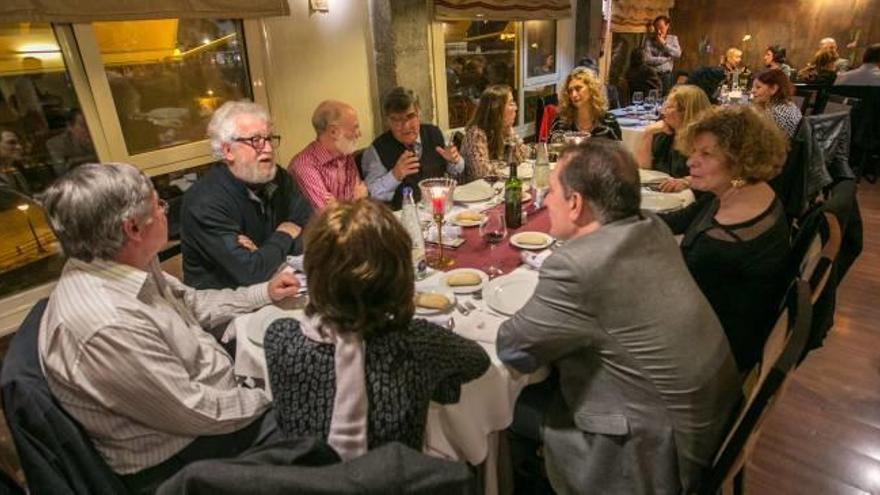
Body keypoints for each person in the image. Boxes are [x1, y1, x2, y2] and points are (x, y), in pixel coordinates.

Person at [37, 162, 302, 494]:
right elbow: (195, 410)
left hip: (209, 400)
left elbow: (190, 303)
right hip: (185, 456)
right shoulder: (107, 324)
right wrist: (273, 394)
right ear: (133, 228)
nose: (165, 210)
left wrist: (263, 292)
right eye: (159, 204)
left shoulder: (125, 262)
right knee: (317, 414)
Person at [497, 140, 740, 494]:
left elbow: (514, 349)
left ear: (576, 203)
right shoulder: (650, 225)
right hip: (711, 417)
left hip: (655, 454)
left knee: (500, 407)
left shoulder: (578, 266)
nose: (545, 202)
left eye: (550, 191)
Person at [264, 199, 490, 459]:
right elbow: (479, 361)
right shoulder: (416, 343)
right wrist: (435, 384)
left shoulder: (280, 338)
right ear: (399, 276)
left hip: (301, 484)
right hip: (396, 482)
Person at [661, 105, 791, 372]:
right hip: (710, 328)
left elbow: (677, 299)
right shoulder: (740, 192)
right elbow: (678, 221)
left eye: (706, 154)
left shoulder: (724, 240)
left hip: (709, 360)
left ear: (741, 159)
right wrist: (617, 214)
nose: (690, 162)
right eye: (694, 151)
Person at [181, 100, 312, 290]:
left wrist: (263, 253)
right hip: (227, 304)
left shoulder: (278, 177)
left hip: (277, 280)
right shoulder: (204, 202)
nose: (267, 148)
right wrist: (285, 233)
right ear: (228, 151)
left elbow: (309, 226)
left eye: (269, 139)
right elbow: (251, 272)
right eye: (255, 141)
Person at [361, 87, 463, 209]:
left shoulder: (434, 133)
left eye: (410, 116)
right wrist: (395, 175)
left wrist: (454, 161)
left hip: (439, 209)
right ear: (388, 121)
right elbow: (371, 193)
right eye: (397, 120)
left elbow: (457, 170)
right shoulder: (376, 150)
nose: (406, 126)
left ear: (419, 114)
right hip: (405, 217)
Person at [289, 100, 368, 211]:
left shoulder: (345, 154)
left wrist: (338, 205)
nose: (359, 134)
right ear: (333, 132)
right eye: (354, 128)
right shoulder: (303, 166)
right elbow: (328, 219)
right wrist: (354, 200)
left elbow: (361, 206)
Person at [636, 84, 711, 191]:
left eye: (669, 107)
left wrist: (686, 181)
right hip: (665, 193)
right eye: (665, 105)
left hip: (695, 196)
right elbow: (643, 168)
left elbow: (714, 175)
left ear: (686, 111)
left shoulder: (704, 140)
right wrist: (647, 133)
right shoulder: (664, 133)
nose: (663, 111)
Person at [461, 84, 527, 183]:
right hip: (477, 193)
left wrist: (512, 134)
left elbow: (522, 158)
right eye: (511, 103)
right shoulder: (476, 134)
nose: (516, 108)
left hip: (496, 189)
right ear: (497, 110)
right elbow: (482, 174)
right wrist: (503, 169)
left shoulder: (503, 130)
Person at [550, 67, 622, 140]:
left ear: (592, 89)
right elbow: (552, 150)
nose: (573, 94)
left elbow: (618, 151)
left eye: (578, 88)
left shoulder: (609, 122)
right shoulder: (561, 123)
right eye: (570, 91)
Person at [45, 108, 97, 177]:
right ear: (70, 127)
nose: (89, 129)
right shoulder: (55, 143)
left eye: (92, 124)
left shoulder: (101, 135)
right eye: (83, 125)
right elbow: (61, 172)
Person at [752, 68, 803, 137]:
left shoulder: (775, 114)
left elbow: (761, 140)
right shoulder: (789, 104)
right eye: (753, 87)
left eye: (758, 87)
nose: (753, 91)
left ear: (773, 89)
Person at [642, 15, 681, 92]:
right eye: (656, 29)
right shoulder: (649, 40)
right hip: (652, 76)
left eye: (661, 28)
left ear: (667, 26)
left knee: (665, 98)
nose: (658, 31)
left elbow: (678, 54)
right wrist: (666, 59)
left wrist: (664, 44)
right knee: (652, 97)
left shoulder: (673, 39)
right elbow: (647, 59)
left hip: (666, 75)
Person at [0, 128, 30, 194]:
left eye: (19, 143)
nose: (19, 147)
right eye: (11, 142)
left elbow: (27, 197)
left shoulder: (15, 172)